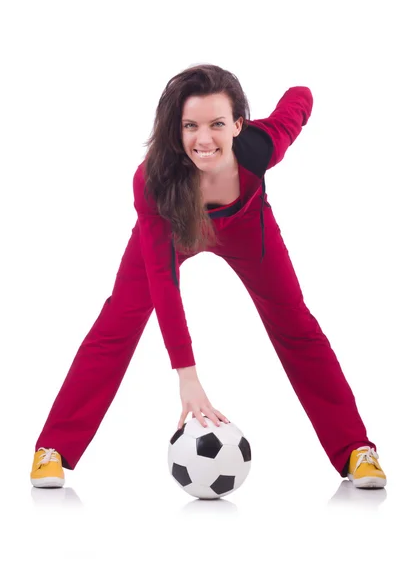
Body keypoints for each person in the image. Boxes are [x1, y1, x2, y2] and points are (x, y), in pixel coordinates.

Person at [30, 64, 387, 490]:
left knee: (297, 326)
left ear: (238, 125)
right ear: (175, 130)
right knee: (117, 324)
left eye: (218, 124)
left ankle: (355, 449)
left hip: (246, 229)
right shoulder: (154, 182)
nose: (204, 139)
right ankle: (52, 449)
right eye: (190, 125)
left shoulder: (261, 146)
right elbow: (165, 286)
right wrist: (187, 375)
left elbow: (300, 98)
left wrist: (303, 89)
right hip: (175, 229)